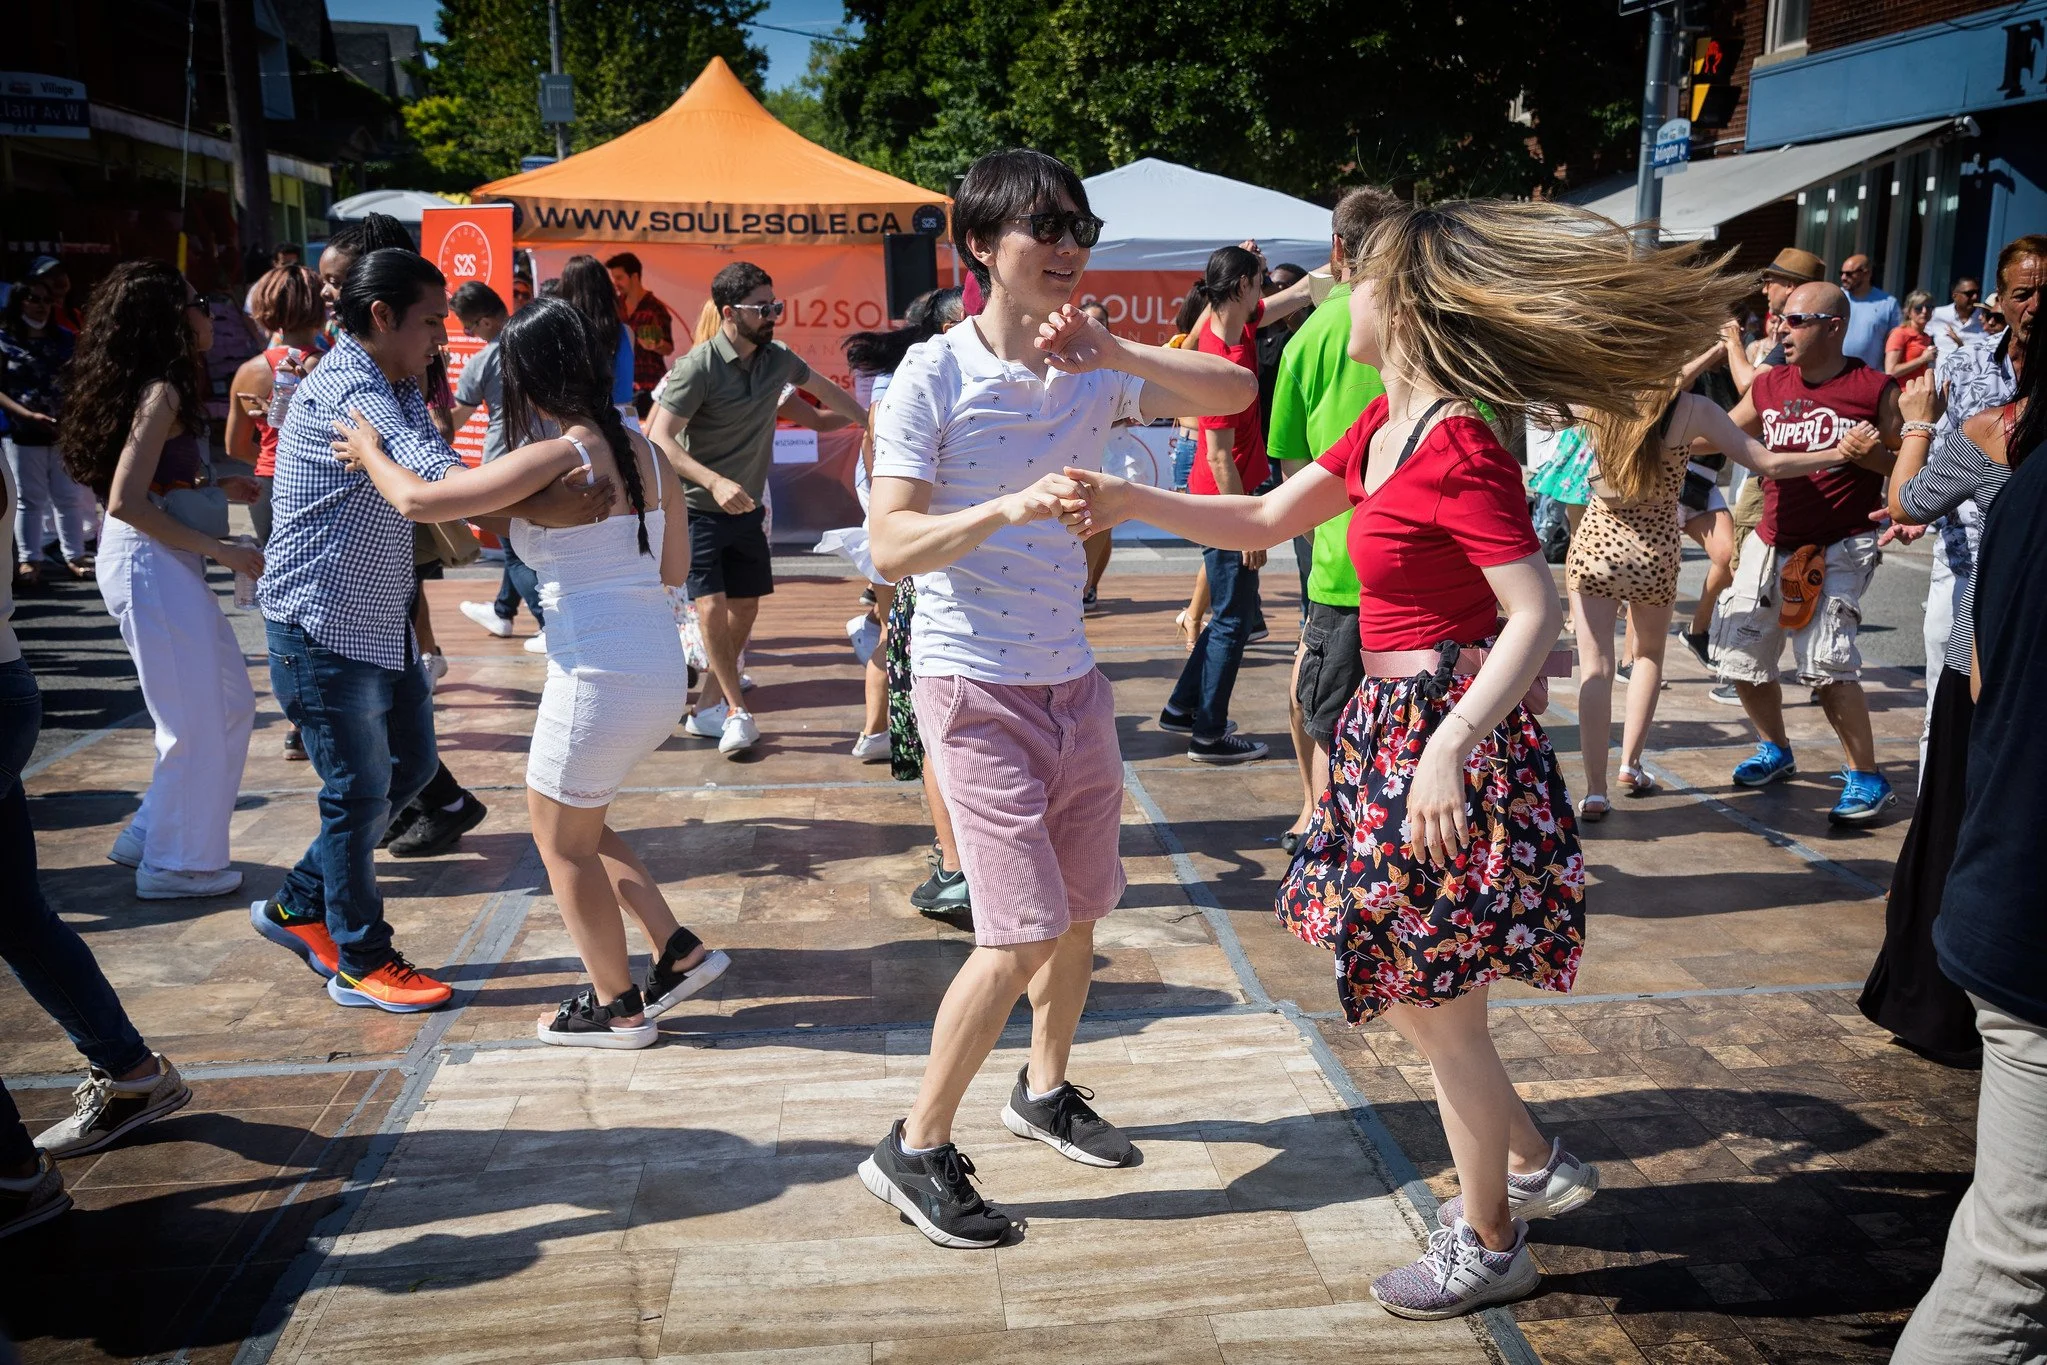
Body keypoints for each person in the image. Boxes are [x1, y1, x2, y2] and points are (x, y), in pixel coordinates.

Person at [1067, 198, 1739, 1318]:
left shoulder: (1458, 443)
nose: (1338, 291)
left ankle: (1489, 1237)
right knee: (1416, 993)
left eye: (1357, 280)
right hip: (1389, 726)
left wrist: (1450, 751)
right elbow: (1265, 517)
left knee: (1437, 1004)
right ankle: (1527, 1161)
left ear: (1405, 305)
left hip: (1440, 730)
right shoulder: (1384, 423)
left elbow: (1532, 616)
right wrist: (1126, 498)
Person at [856, 147, 1256, 1249]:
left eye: (1080, 226)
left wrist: (1116, 347)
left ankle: (1042, 1089)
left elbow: (1234, 394)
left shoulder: (1096, 359)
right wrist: (1006, 509)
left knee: (1080, 911)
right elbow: (889, 543)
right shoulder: (930, 377)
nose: (1070, 245)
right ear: (981, 247)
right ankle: (915, 1146)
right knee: (1015, 929)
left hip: (1070, 681)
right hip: (969, 682)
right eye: (1045, 227)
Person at [334, 296, 729, 1046]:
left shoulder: (561, 455)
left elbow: (419, 499)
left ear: (532, 379)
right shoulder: (647, 450)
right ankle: (677, 950)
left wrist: (367, 446)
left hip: (596, 678)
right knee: (581, 818)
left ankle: (617, 1008)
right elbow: (674, 566)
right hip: (653, 670)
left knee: (561, 842)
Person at [253, 247, 614, 1014]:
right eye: (426, 322)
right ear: (380, 317)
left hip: (376, 621)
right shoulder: (355, 387)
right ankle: (361, 958)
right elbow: (437, 488)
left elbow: (442, 473)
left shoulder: (398, 380)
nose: (439, 339)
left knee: (410, 773)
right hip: (322, 625)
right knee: (357, 795)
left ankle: (296, 903)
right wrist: (557, 499)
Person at [1888, 351, 2047, 1365]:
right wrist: (1907, 427)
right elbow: (1906, 498)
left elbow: (1987, 667)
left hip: (2007, 879)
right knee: (2010, 1276)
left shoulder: (2025, 467)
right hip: (2027, 915)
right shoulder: (1999, 439)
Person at [54, 263, 260, 900]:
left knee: (225, 706)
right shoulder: (162, 390)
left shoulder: (158, 387)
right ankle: (176, 865)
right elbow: (124, 501)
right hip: (150, 563)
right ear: (171, 318)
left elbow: (146, 486)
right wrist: (222, 549)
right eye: (199, 302)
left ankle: (151, 832)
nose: (209, 313)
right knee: (194, 719)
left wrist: (210, 487)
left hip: (156, 562)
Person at [1570, 363, 1851, 819]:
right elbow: (1767, 462)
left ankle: (1596, 791)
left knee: (1596, 669)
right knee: (1647, 657)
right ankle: (1630, 765)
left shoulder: (1601, 393)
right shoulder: (1694, 410)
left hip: (1596, 544)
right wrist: (1838, 453)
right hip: (1654, 551)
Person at [646, 261, 866, 757]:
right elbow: (657, 438)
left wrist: (875, 422)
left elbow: (829, 403)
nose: (773, 315)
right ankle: (736, 710)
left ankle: (707, 704)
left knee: (745, 607)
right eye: (762, 308)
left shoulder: (777, 360)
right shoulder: (696, 368)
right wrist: (714, 480)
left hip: (745, 509)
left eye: (776, 306)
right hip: (697, 507)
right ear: (729, 312)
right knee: (710, 606)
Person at [1712, 281, 1902, 824]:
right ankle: (1776, 750)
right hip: (1772, 541)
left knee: (1828, 665)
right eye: (1781, 318)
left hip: (1840, 546)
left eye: (1797, 320)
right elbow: (1720, 431)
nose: (1781, 328)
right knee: (1741, 658)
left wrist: (1876, 463)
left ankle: (1867, 776)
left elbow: (1912, 471)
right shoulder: (1771, 384)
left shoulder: (1873, 389)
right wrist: (1658, 426)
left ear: (1834, 326)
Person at [1268, 185, 1403, 854]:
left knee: (1327, 708)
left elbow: (1290, 469)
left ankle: (1316, 819)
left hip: (1337, 565)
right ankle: (1337, 834)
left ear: (1338, 251)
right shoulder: (1427, 332)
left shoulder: (1312, 336)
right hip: (1415, 583)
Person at [1158, 244, 1323, 763]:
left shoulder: (1231, 325)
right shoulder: (1217, 359)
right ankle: (1208, 735)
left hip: (1225, 498)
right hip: (1223, 500)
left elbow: (1299, 293)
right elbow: (1218, 455)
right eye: (1258, 283)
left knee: (1232, 611)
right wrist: (1249, 527)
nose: (1267, 293)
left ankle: (1183, 707)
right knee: (1233, 619)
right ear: (1241, 289)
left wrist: (1344, 261)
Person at [446, 282, 549, 649]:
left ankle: (547, 624)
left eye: (469, 326)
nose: (467, 334)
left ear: (487, 321)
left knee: (515, 550)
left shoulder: (485, 358)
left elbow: (454, 421)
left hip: (504, 463)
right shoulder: (540, 345)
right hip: (548, 458)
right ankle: (503, 612)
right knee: (521, 543)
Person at [1, 275, 91, 588]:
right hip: (21, 430)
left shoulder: (64, 338)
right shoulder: (5, 340)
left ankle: (75, 556)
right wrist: (26, 414)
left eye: (45, 300)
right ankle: (30, 559)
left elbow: (80, 379)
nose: (42, 306)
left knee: (69, 496)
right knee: (29, 498)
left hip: (63, 428)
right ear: (19, 302)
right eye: (34, 299)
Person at [606, 253, 675, 420]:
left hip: (647, 384)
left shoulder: (655, 308)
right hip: (620, 383)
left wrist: (656, 345)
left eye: (619, 278)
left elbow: (669, 347)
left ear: (634, 276)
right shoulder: (614, 306)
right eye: (613, 278)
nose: (615, 283)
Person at [1838, 254, 1901, 371]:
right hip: (1834, 374)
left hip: (1870, 377)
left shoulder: (1888, 304)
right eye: (1841, 273)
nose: (1843, 277)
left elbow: (1895, 344)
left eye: (1849, 274)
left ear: (1867, 274)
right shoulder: (1836, 298)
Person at [1929, 276, 1984, 358]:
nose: (1975, 297)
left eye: (1978, 293)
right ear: (1955, 295)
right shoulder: (1936, 314)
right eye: (1969, 293)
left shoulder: (1986, 318)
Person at [1885, 290, 1937, 377]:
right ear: (1909, 312)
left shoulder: (1927, 337)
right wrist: (1922, 359)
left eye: (1929, 307)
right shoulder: (1899, 333)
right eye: (1918, 308)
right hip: (1902, 390)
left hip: (1919, 388)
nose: (1924, 311)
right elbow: (1890, 371)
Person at [243, 243, 302, 316]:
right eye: (284, 264)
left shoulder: (304, 285)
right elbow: (249, 315)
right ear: (275, 263)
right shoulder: (261, 288)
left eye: (293, 264)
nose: (289, 268)